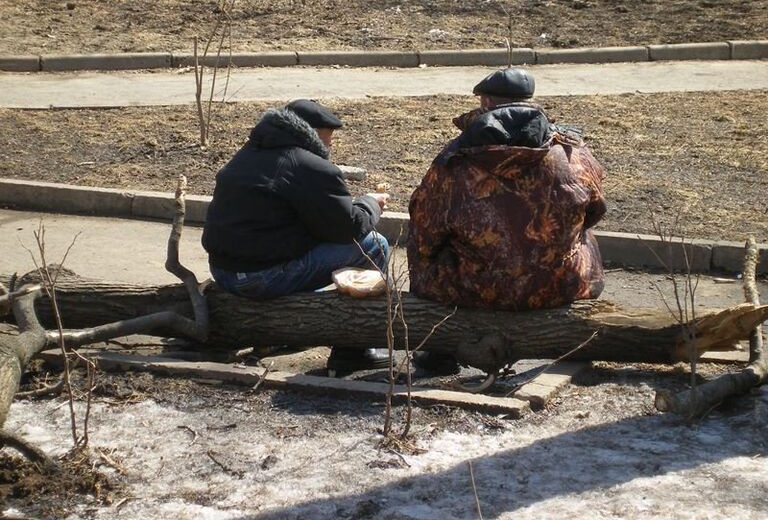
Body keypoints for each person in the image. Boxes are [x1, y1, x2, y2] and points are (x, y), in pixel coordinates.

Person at [407, 68, 606, 372]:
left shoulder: (455, 160)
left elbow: (425, 233)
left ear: (485, 102)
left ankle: (439, 351)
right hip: (559, 284)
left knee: (420, 246)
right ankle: (576, 341)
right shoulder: (571, 152)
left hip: (475, 287)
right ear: (530, 101)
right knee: (585, 238)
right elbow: (595, 210)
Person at [202, 99, 391, 372]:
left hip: (224, 271)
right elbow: (348, 229)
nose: (332, 143)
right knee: (375, 246)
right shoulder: (308, 166)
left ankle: (285, 331)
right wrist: (371, 203)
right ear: (311, 132)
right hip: (258, 279)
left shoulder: (247, 155)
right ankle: (354, 349)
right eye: (329, 134)